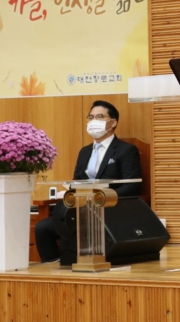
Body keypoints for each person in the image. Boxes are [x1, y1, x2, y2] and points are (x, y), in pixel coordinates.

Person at [34, 100, 143, 262]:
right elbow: (77, 182)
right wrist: (69, 192)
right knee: (43, 228)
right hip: (82, 210)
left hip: (110, 210)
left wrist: (101, 198)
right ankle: (54, 267)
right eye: (91, 117)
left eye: (99, 117)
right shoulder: (84, 152)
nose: (93, 121)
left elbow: (133, 186)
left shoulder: (126, 150)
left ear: (113, 122)